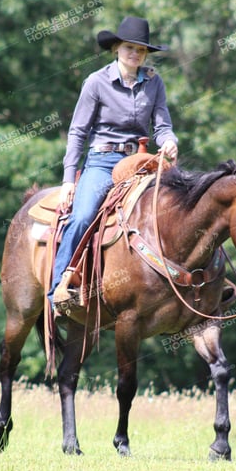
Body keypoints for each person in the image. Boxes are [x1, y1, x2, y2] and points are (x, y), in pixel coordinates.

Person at [48, 16, 179, 309]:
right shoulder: (95, 83)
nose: (135, 54)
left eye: (141, 50)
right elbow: (78, 132)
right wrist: (69, 178)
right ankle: (58, 288)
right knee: (82, 216)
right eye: (129, 47)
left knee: (178, 205)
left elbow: (162, 125)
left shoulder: (154, 83)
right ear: (116, 48)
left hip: (141, 163)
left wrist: (170, 140)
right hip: (102, 162)